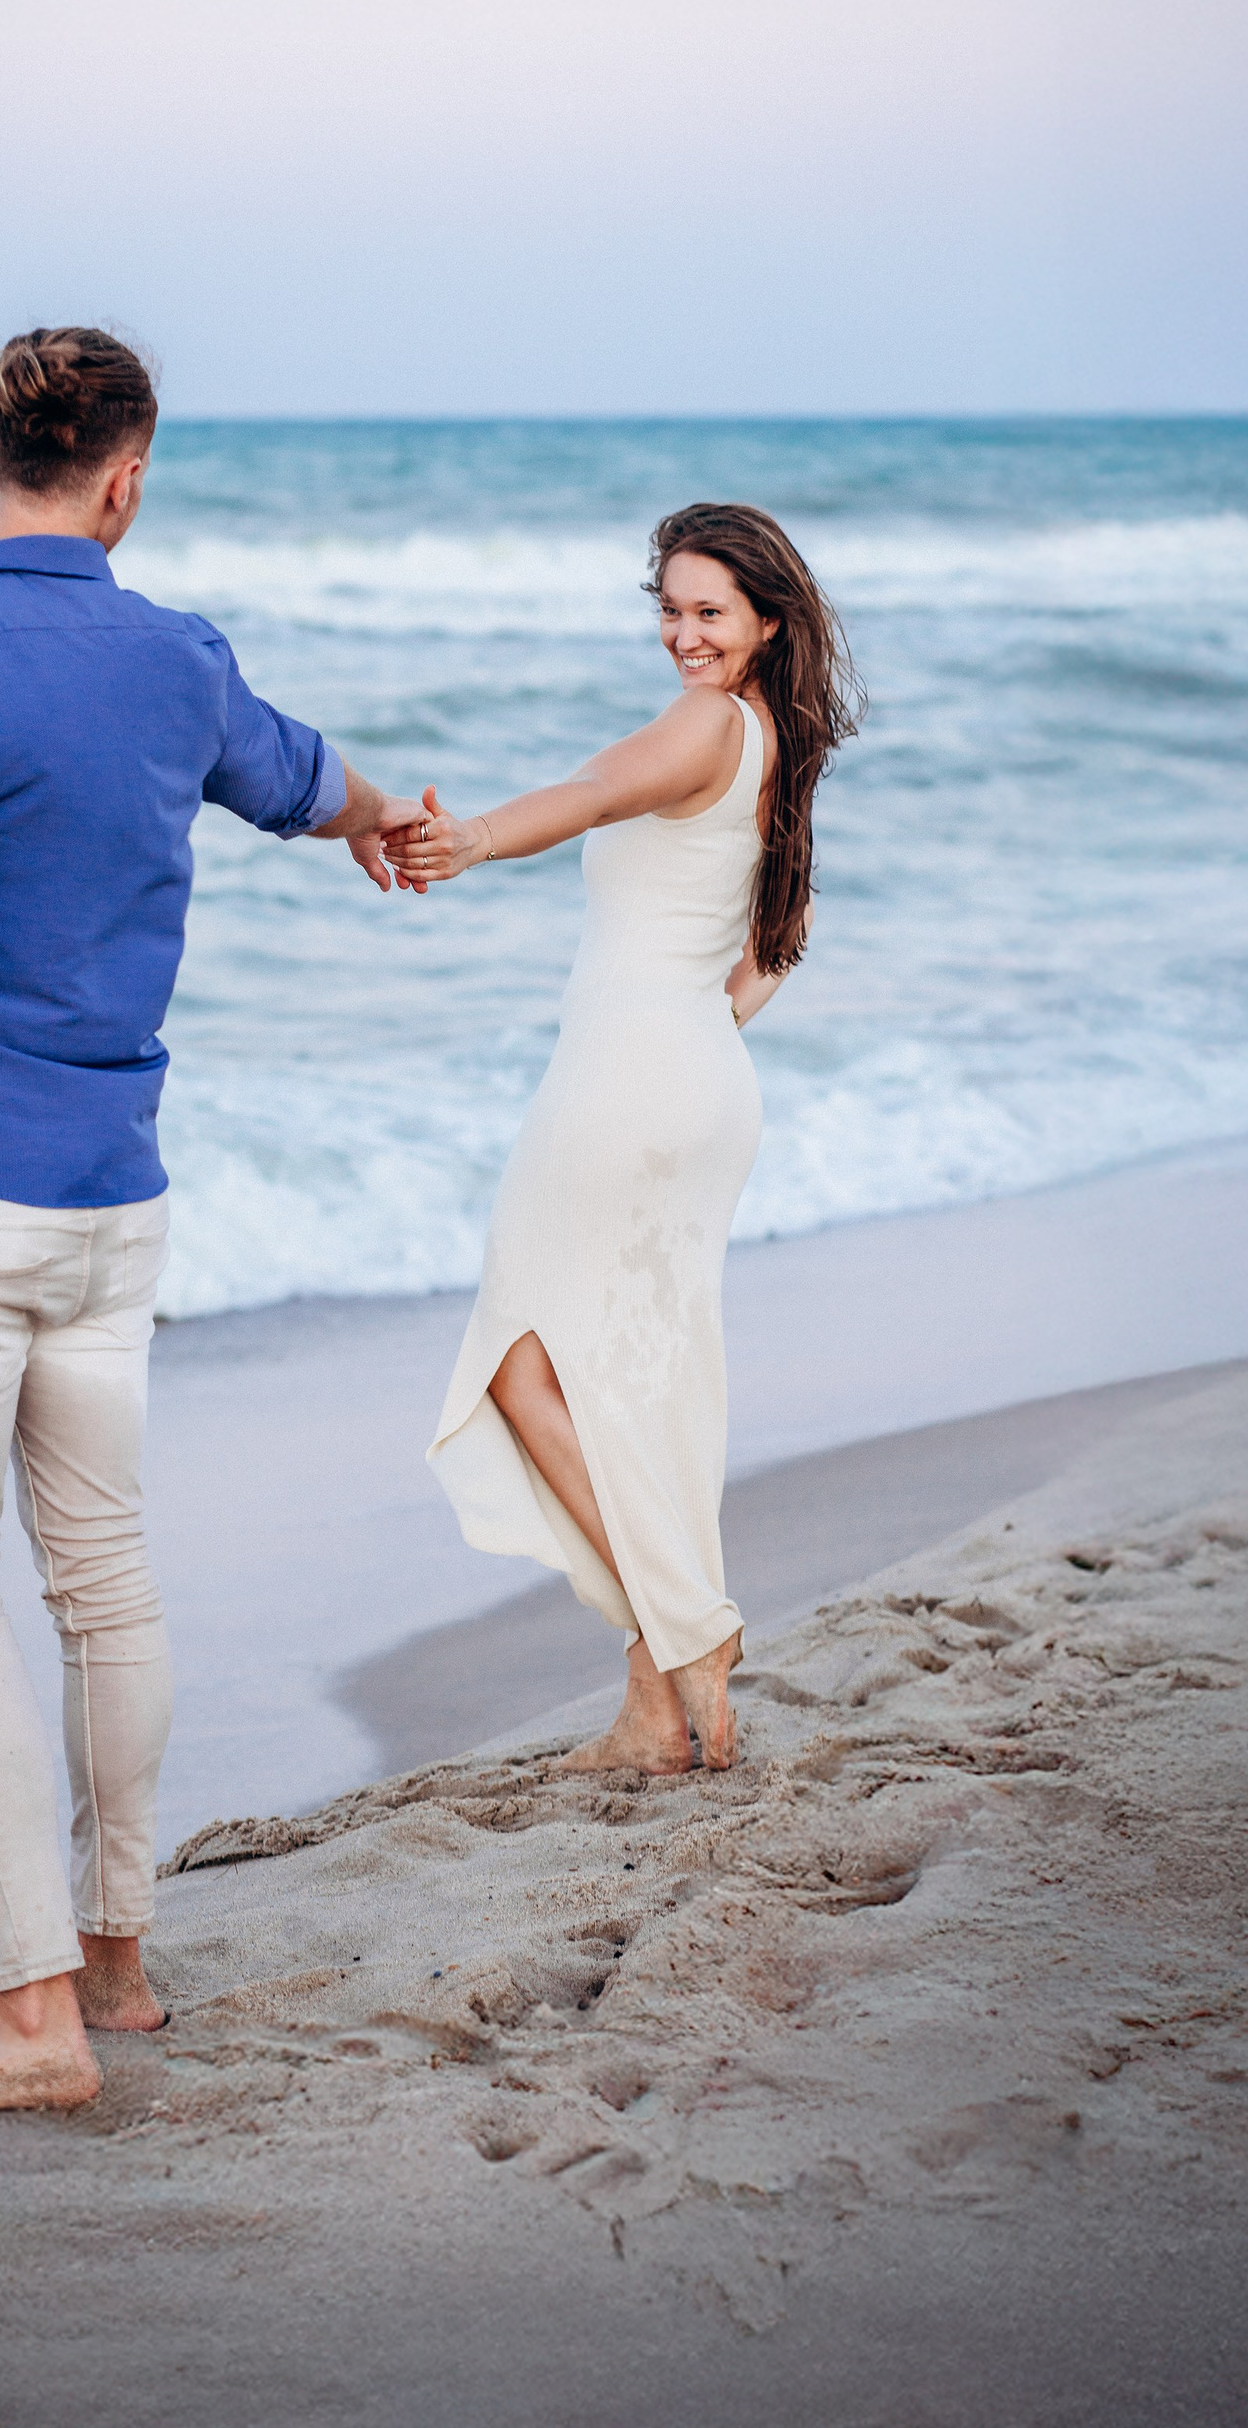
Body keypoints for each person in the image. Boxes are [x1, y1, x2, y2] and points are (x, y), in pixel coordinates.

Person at [0, 326, 417, 2114]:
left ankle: (33, 2017)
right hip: (113, 1204)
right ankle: (120, 1969)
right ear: (125, 479)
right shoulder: (177, 661)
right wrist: (391, 824)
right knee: (105, 1579)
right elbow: (308, 779)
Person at [384, 503, 859, 1776]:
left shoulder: (707, 722)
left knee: (522, 1363)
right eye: (669, 608)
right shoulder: (774, 745)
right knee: (627, 1382)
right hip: (693, 1077)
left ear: (766, 620)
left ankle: (689, 1634)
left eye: (710, 610)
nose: (684, 634)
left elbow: (597, 792)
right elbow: (771, 951)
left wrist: (474, 836)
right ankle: (658, 1697)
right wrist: (693, 1027)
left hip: (626, 1082)